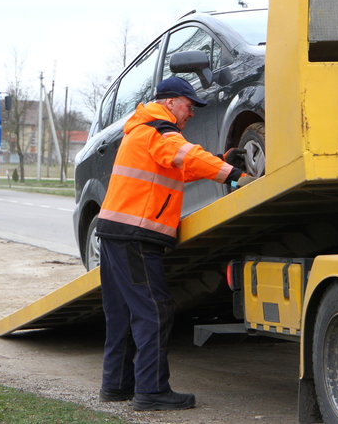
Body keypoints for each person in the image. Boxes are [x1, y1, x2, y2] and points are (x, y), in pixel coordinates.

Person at [96, 76, 250, 411]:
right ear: (170, 102)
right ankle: (151, 392)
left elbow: (179, 167)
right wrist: (233, 174)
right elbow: (186, 156)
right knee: (153, 311)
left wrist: (221, 160)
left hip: (115, 233)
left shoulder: (143, 131)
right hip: (136, 236)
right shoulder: (158, 130)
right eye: (189, 105)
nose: (191, 113)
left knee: (121, 312)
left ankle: (116, 386)